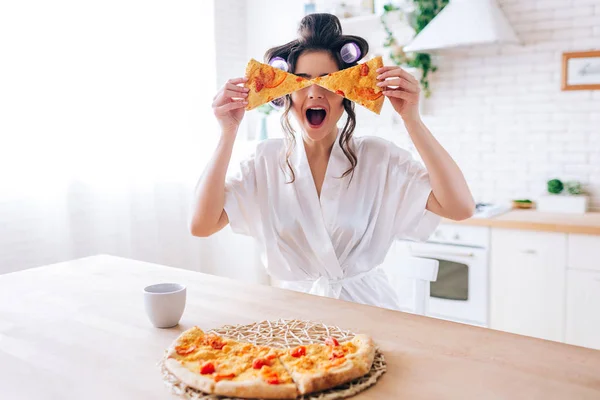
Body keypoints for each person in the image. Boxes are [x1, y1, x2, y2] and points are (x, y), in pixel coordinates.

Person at [190, 13, 474, 310]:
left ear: (347, 95)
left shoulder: (379, 158)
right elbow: (201, 224)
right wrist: (228, 132)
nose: (315, 93)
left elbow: (460, 207)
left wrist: (411, 119)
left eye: (328, 82)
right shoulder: (266, 162)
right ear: (286, 93)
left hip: (369, 312)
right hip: (294, 318)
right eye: (302, 83)